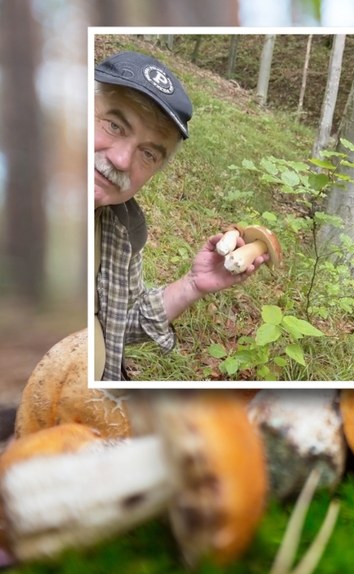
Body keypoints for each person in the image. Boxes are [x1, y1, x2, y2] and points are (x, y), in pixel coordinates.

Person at [93, 51, 266, 380]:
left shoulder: (122, 228)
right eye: (114, 125)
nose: (121, 160)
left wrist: (192, 285)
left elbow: (117, 325)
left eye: (148, 153)